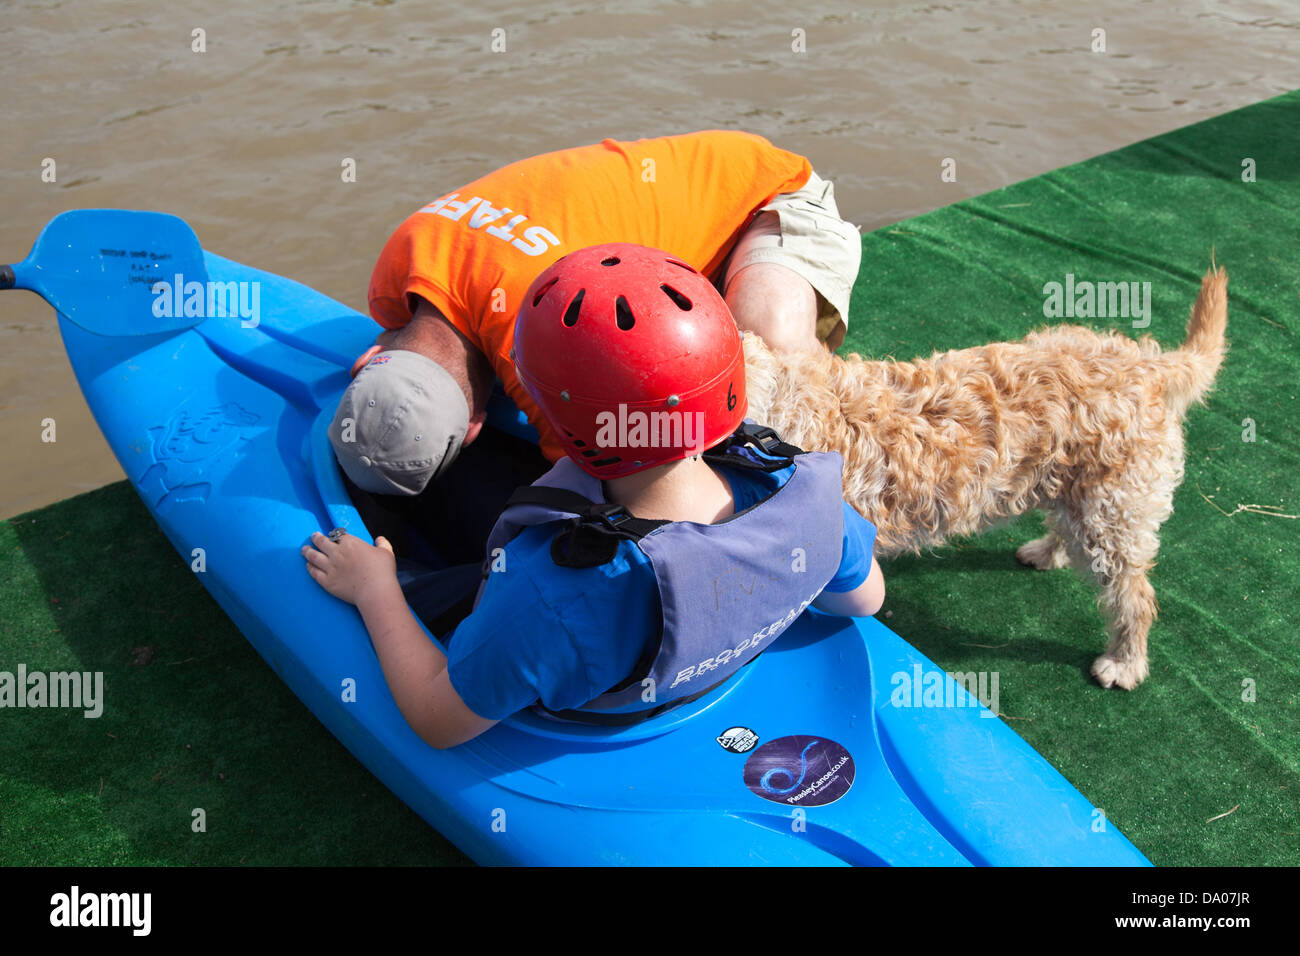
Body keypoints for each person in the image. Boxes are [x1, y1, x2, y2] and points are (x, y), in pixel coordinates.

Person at [303, 244, 884, 748]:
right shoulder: (804, 488)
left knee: (428, 544)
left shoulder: (550, 597)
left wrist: (375, 589)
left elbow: (436, 720)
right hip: (660, 657)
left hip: (577, 691)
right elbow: (863, 599)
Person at [329, 130, 862, 499]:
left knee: (772, 362)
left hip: (772, 198)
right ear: (372, 353)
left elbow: (614, 475)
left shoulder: (537, 333)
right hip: (680, 215)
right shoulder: (397, 266)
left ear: (473, 429)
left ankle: (831, 474)